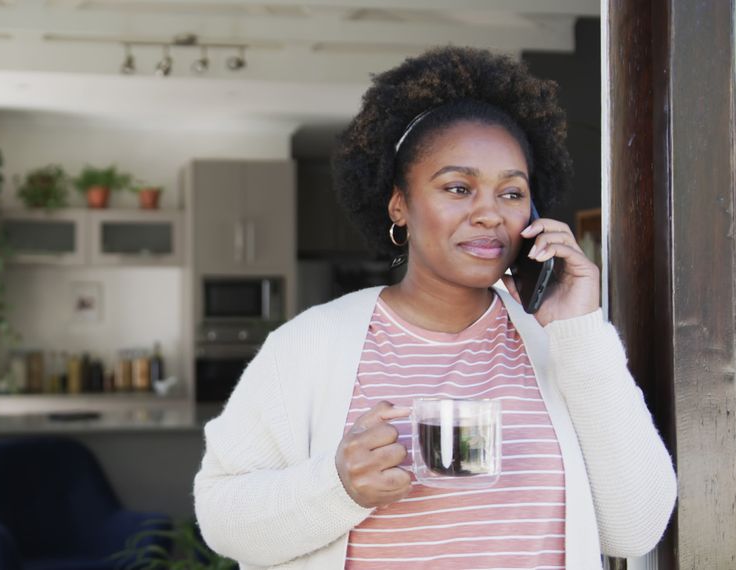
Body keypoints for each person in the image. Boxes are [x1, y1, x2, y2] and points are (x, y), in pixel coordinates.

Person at [193, 47, 676, 569]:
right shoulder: (309, 345)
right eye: (458, 187)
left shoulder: (562, 346)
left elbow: (636, 529)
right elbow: (222, 518)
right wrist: (337, 486)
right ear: (399, 203)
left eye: (512, 193)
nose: (489, 214)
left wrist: (578, 329)